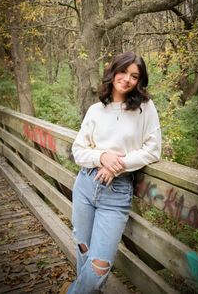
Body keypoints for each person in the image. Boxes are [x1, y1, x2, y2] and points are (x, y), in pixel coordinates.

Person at [60, 51, 161, 294]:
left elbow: (153, 149)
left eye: (134, 76)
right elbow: (79, 150)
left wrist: (119, 164)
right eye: (124, 71)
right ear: (113, 71)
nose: (127, 79)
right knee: (83, 248)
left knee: (99, 264)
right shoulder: (96, 110)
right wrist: (101, 156)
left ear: (139, 81)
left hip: (116, 193)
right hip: (85, 185)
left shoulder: (144, 108)